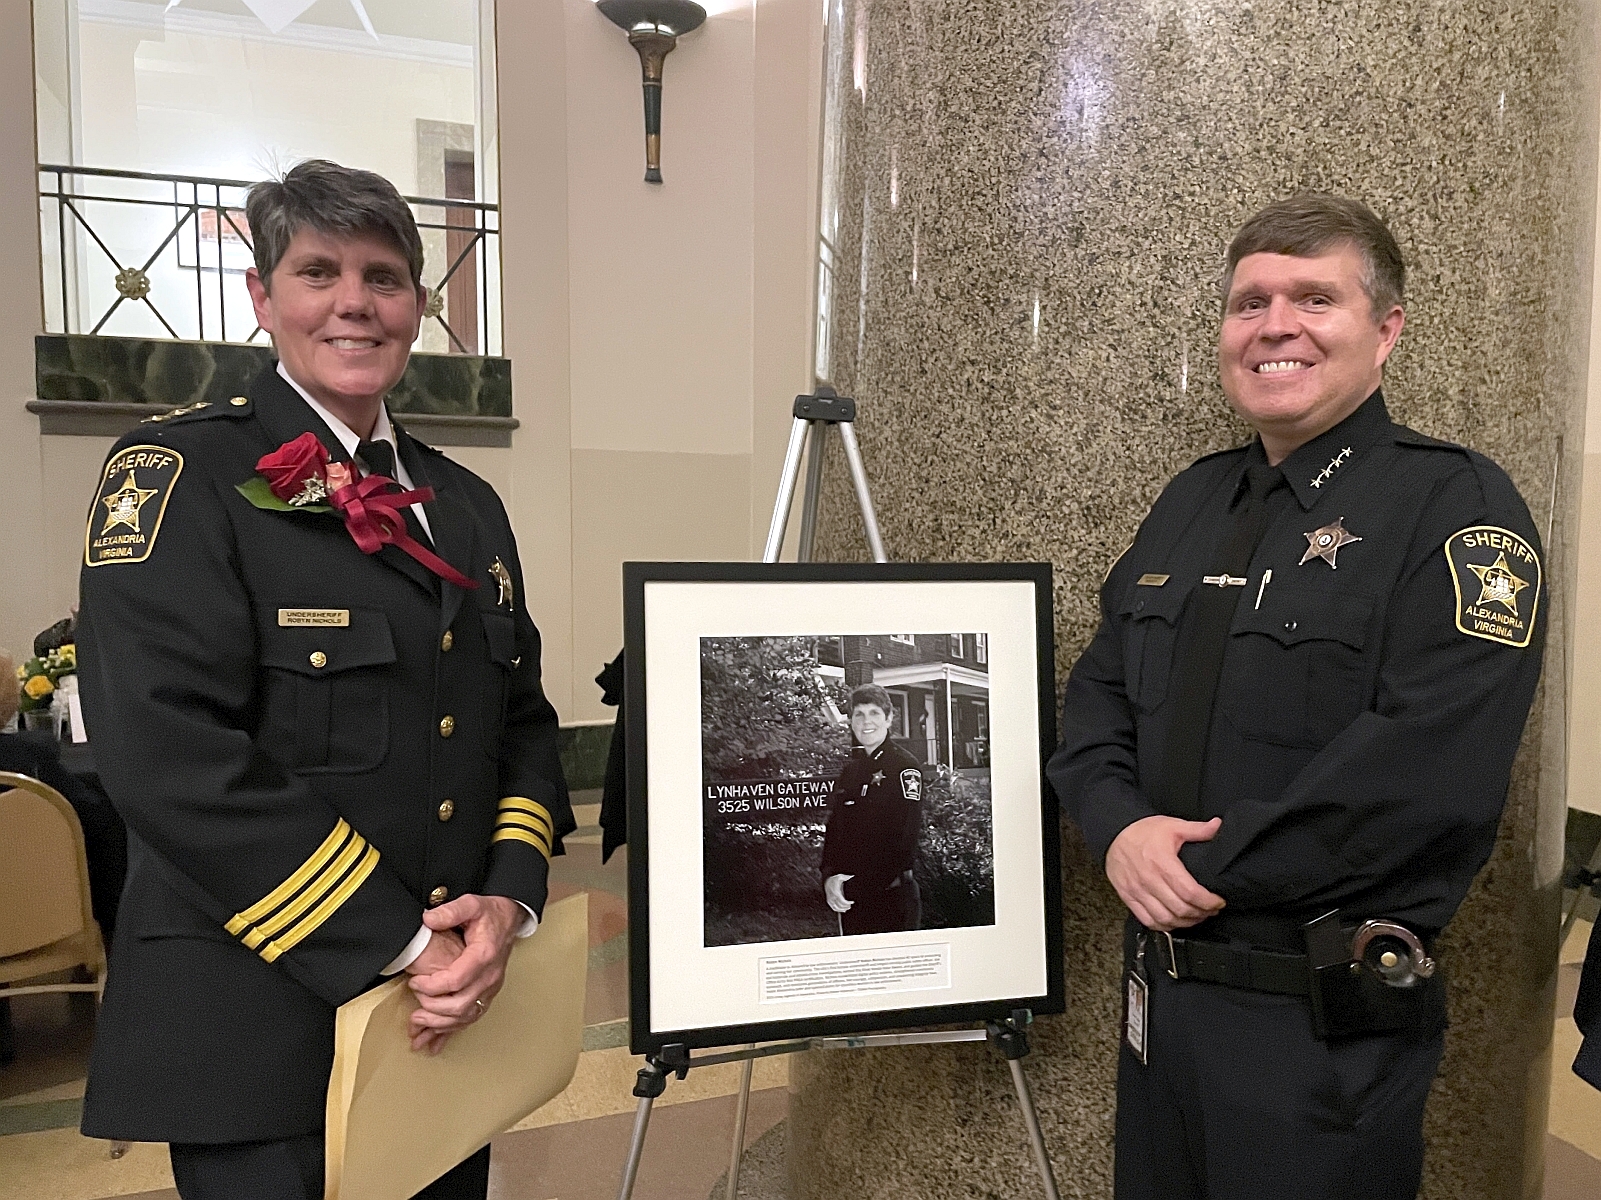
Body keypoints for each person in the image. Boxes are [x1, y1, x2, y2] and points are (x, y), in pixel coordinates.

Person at [75, 159, 574, 1200]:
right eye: (318, 272)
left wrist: (507, 908)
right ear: (262, 297)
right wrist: (400, 944)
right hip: (255, 1022)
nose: (355, 302)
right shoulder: (180, 474)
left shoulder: (465, 501)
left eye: (384, 277)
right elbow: (165, 752)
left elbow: (519, 721)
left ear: (420, 306)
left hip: (440, 1025)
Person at [1048, 194, 1545, 1200]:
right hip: (1161, 1005)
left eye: (1313, 297)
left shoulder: (1455, 507)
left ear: (1385, 329)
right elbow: (1096, 692)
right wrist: (1116, 829)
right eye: (1249, 302)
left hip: (1311, 1024)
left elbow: (1423, 773)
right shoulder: (1192, 500)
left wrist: (1185, 861)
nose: (1274, 324)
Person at [821, 684, 924, 935]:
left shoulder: (904, 768)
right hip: (852, 903)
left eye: (875, 713)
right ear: (852, 722)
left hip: (891, 901)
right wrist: (829, 879)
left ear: (889, 719)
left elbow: (903, 843)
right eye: (859, 714)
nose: (866, 721)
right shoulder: (851, 773)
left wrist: (853, 886)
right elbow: (834, 833)